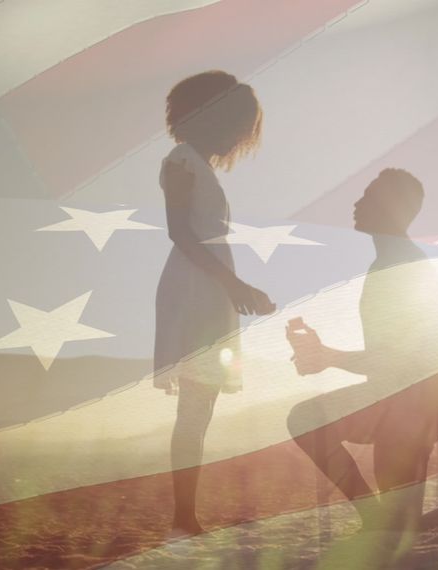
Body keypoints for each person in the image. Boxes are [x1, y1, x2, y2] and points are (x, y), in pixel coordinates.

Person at [286, 168, 438, 535]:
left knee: (305, 421)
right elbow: (392, 359)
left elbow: (400, 360)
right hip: (402, 402)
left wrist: (328, 356)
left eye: (368, 197)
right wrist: (323, 354)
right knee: (402, 525)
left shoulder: (401, 267)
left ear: (390, 208)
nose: (357, 202)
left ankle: (374, 517)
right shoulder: (388, 263)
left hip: (414, 406)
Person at [154, 70, 275, 536]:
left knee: (199, 405)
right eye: (238, 123)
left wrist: (237, 287)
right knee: (195, 403)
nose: (241, 136)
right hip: (197, 289)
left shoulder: (193, 162)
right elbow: (180, 231)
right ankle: (184, 516)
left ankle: (187, 513)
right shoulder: (183, 160)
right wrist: (234, 286)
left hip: (207, 287)